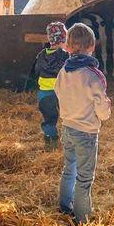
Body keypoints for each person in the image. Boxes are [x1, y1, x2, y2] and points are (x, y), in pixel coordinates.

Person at [55, 23, 111, 225]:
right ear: (92, 46)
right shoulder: (94, 75)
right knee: (85, 177)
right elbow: (102, 110)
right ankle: (82, 218)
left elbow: (58, 92)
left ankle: (64, 205)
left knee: (69, 168)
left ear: (68, 47)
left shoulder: (64, 71)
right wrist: (105, 112)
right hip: (86, 132)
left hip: (67, 127)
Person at [33, 21, 68, 150]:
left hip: (44, 93)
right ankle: (68, 139)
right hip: (62, 92)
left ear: (49, 38)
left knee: (49, 118)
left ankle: (50, 141)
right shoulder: (66, 56)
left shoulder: (41, 55)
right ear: (64, 38)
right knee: (68, 116)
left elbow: (36, 72)